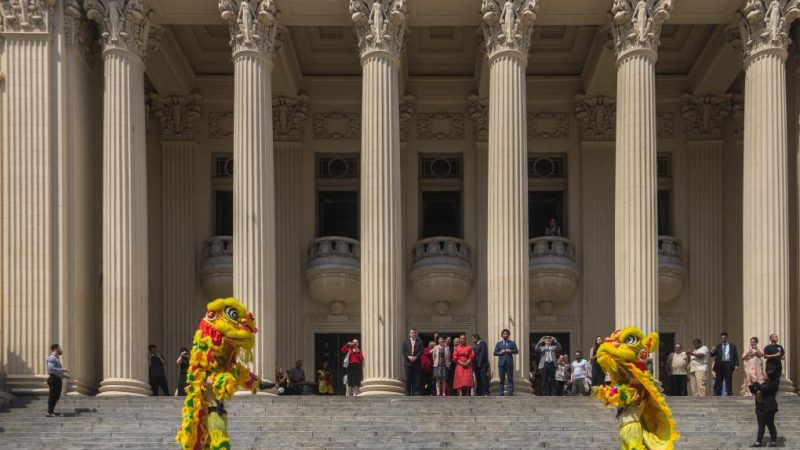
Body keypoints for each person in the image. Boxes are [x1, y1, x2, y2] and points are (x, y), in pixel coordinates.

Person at [748, 371, 779, 447]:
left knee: (770, 425)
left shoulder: (773, 384)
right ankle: (758, 442)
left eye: (765, 375)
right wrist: (751, 385)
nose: (763, 376)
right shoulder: (763, 384)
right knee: (761, 426)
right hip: (760, 408)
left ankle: (773, 441)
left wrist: (756, 383)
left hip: (769, 408)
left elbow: (763, 389)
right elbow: (756, 391)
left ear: (770, 377)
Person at [46, 344, 70, 417]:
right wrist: (63, 369)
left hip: (57, 379)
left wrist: (64, 375)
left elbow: (56, 371)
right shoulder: (52, 358)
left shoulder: (56, 359)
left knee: (56, 396)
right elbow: (50, 369)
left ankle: (51, 411)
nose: (61, 350)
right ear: (56, 349)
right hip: (53, 379)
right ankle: (49, 412)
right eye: (60, 348)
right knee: (53, 395)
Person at [494, 329, 519, 396]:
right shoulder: (498, 343)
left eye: (507, 334)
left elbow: (516, 351)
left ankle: (510, 392)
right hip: (501, 364)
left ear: (508, 335)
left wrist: (510, 351)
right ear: (502, 335)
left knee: (510, 378)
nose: (505, 335)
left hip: (509, 363)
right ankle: (501, 392)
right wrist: (500, 352)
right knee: (501, 379)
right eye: (504, 334)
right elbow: (494, 353)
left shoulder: (512, 343)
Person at [402, 328, 423, 395]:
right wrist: (409, 356)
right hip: (408, 363)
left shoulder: (419, 342)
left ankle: (416, 392)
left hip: (417, 362)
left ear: (416, 334)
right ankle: (407, 392)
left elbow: (421, 351)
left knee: (416, 378)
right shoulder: (405, 342)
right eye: (412, 333)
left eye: (415, 333)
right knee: (408, 377)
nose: (413, 334)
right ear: (409, 334)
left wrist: (416, 357)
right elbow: (403, 351)